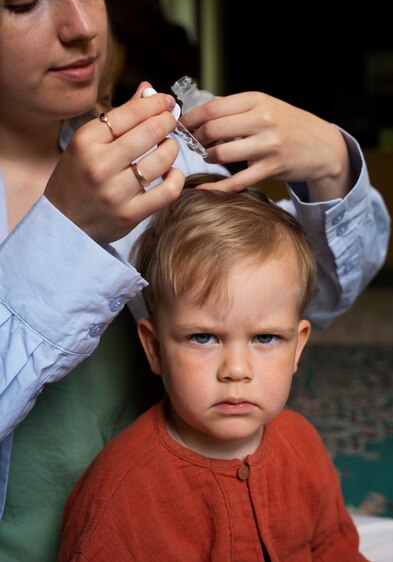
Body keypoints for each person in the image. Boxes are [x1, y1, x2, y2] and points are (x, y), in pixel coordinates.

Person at [0, 0, 389, 559]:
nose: (79, 27)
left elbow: (305, 299)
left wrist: (329, 163)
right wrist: (63, 235)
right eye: (23, 1)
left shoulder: (161, 157)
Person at [59, 174, 369, 561]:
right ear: (154, 348)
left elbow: (335, 549)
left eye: (266, 338)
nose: (236, 370)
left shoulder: (303, 444)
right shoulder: (120, 492)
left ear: (297, 347)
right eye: (203, 337)